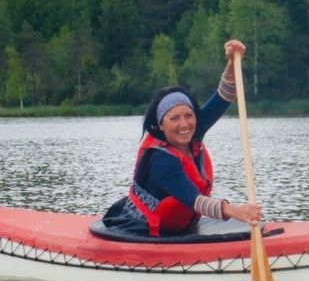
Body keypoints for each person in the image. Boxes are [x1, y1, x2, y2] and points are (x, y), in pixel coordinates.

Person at [102, 39, 262, 236]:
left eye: (189, 115)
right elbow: (193, 199)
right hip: (140, 230)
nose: (184, 124)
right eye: (174, 118)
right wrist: (234, 211)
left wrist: (231, 63)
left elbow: (224, 96)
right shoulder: (160, 161)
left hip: (178, 229)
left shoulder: (192, 131)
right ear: (161, 124)